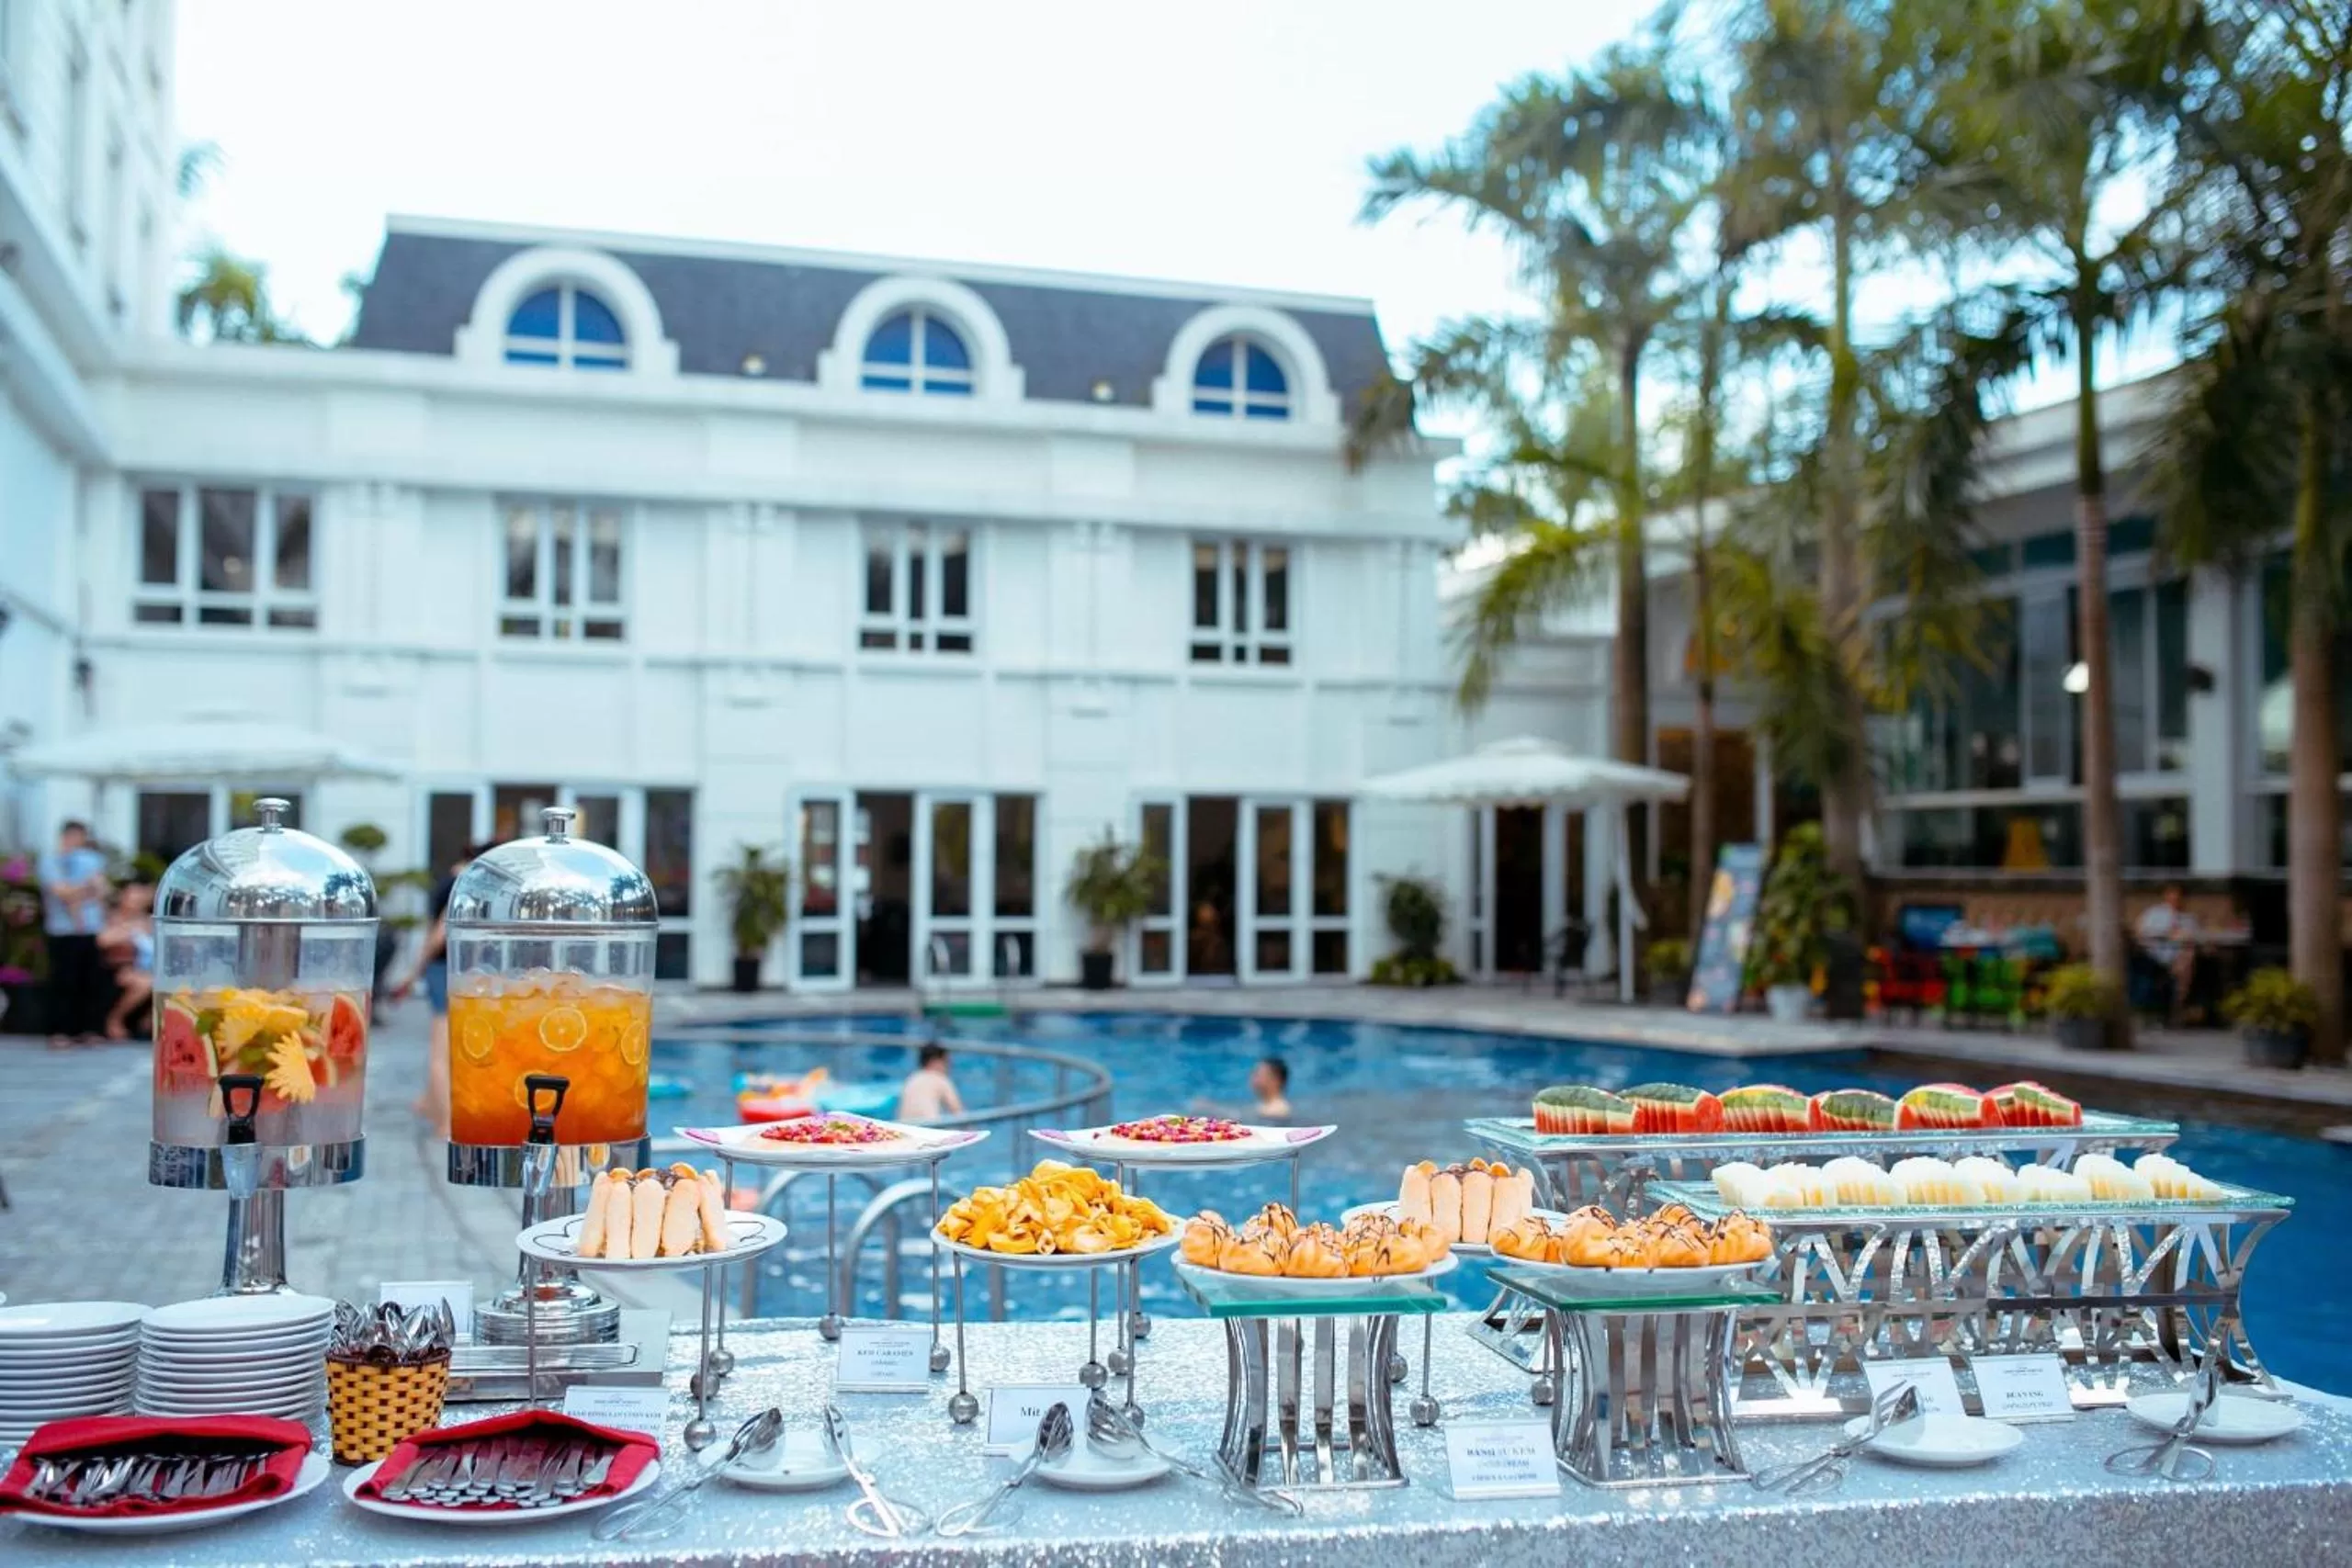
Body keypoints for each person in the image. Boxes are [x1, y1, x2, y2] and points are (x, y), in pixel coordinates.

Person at [392, 842, 489, 1132]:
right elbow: (440, 933)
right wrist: (415, 970)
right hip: (450, 969)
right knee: (443, 1050)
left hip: (445, 970)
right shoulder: (465, 884)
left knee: (444, 1049)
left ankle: (433, 1106)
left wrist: (413, 973)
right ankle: (446, 1123)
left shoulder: (451, 881)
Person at [39, 820, 109, 1047]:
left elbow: (102, 890)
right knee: (63, 982)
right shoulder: (50, 862)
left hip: (89, 929)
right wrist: (85, 887)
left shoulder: (91, 860)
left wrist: (82, 890)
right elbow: (62, 893)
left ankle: (88, 1030)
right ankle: (60, 1031)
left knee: (89, 982)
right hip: (62, 931)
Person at [2134, 885, 2201, 1024]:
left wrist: (2182, 936)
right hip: (2155, 955)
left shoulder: (2188, 918)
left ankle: (2177, 1005)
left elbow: (2193, 937)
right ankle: (2177, 1007)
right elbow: (2141, 933)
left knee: (2188, 955)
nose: (2175, 899)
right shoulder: (2154, 914)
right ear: (2166, 896)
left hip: (2178, 956)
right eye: (2172, 895)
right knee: (2186, 962)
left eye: (2179, 897)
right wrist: (2167, 933)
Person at [99, 882, 156, 1042]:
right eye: (133, 898)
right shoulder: (113, 919)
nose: (136, 902)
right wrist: (127, 931)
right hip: (120, 969)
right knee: (146, 983)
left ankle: (151, 1021)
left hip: (149, 969)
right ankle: (115, 1019)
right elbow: (103, 940)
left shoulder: (149, 922)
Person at [899, 1043, 965, 1122]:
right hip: (929, 1128)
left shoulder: (912, 1078)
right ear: (935, 1061)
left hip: (904, 1129)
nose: (949, 1066)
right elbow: (958, 1113)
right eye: (946, 1062)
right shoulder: (940, 1079)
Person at [1250, 1055, 1293, 1121]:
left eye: (1258, 1074)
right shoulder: (1264, 1107)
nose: (1253, 1078)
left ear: (1276, 1079)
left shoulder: (1276, 1112)